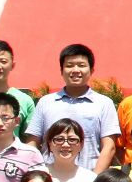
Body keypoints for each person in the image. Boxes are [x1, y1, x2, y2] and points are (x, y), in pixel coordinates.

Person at [24, 43, 119, 174]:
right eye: (69, 65)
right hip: (48, 179)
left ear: (91, 70)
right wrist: (38, 174)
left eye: (81, 65)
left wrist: (94, 180)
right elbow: (32, 144)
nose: (75, 70)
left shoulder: (104, 103)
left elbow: (109, 147)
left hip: (89, 177)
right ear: (61, 71)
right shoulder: (45, 102)